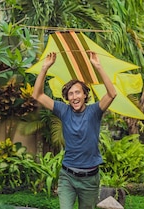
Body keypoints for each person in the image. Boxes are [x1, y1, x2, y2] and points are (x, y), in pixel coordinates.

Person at [32, 50, 117, 209]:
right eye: (70, 94)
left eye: (77, 92)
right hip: (68, 177)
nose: (74, 96)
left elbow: (112, 94)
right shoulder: (63, 111)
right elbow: (37, 95)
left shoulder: (94, 112)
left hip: (90, 179)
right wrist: (44, 68)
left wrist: (98, 66)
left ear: (85, 95)